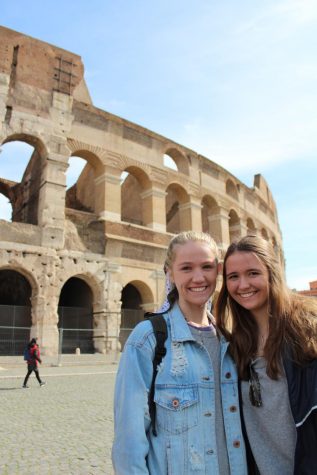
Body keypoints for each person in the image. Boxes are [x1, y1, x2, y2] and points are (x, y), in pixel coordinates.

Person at [112, 231, 247, 474]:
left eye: (206, 267)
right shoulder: (147, 339)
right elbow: (128, 443)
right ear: (169, 273)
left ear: (217, 271)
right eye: (186, 268)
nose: (198, 277)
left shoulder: (229, 341)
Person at [215, 235, 317, 475]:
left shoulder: (308, 336)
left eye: (253, 273)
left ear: (272, 273)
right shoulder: (235, 347)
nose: (243, 285)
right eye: (233, 277)